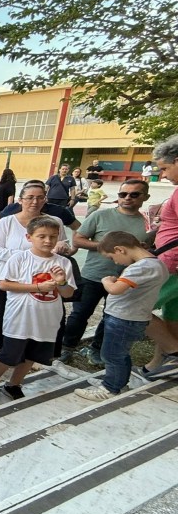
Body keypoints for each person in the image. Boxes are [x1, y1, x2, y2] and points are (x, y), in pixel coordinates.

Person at [0, 216, 76, 404]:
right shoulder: (19, 258)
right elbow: (4, 284)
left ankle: (14, 384)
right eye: (42, 236)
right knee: (9, 354)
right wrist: (38, 287)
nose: (48, 241)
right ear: (29, 237)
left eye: (53, 236)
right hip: (20, 317)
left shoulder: (63, 263)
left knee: (34, 354)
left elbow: (68, 293)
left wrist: (61, 282)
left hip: (47, 319)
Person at [61, 179, 151, 364]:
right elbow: (78, 240)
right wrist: (111, 248)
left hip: (125, 279)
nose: (127, 198)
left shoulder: (147, 223)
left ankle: (96, 349)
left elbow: (147, 249)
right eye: (123, 194)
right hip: (93, 275)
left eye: (134, 194)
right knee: (80, 314)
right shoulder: (100, 215)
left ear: (145, 197)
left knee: (111, 317)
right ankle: (66, 347)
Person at [76, 231, 167, 401]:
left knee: (112, 354)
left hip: (124, 318)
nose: (115, 262)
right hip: (130, 317)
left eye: (112, 257)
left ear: (120, 249)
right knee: (118, 353)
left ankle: (110, 388)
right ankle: (118, 382)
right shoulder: (155, 264)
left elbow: (115, 289)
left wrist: (107, 281)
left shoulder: (141, 267)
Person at [145, 137, 178, 379]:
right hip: (170, 261)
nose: (163, 175)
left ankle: (174, 354)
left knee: (132, 306)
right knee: (173, 316)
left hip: (172, 265)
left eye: (165, 168)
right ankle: (158, 364)